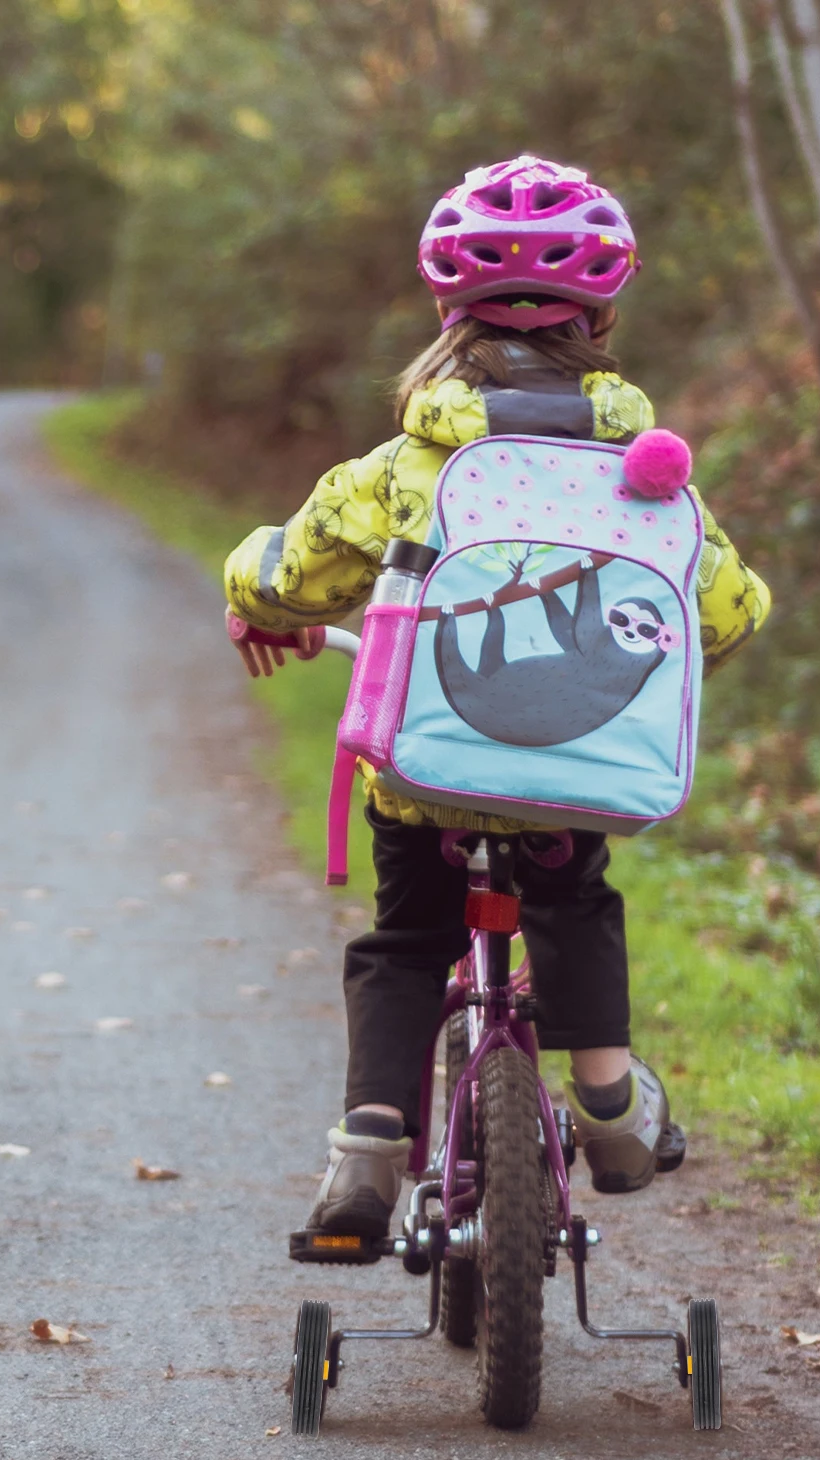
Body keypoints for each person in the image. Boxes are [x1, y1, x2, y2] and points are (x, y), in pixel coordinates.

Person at [224, 154, 771, 1241]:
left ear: (445, 309)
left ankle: (369, 1151)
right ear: (602, 317)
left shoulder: (406, 466)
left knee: (403, 939)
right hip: (573, 783)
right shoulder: (643, 472)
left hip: (428, 777)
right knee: (574, 902)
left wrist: (253, 593)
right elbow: (728, 612)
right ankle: (611, 1105)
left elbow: (291, 569)